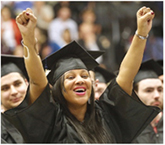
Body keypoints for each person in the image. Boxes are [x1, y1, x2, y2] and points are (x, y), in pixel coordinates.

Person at [3, 7, 160, 143]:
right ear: (58, 87)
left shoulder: (107, 113)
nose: (80, 80)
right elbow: (37, 82)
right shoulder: (51, 120)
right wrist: (29, 39)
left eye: (85, 76)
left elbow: (126, 74)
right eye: (70, 77)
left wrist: (141, 33)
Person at [132, 59, 163, 143]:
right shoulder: (128, 129)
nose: (157, 95)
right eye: (149, 90)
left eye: (160, 90)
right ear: (135, 94)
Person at [1, 54, 29, 143]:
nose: (13, 92)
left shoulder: (45, 113)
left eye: (17, 84)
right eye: (5, 88)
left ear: (26, 83)